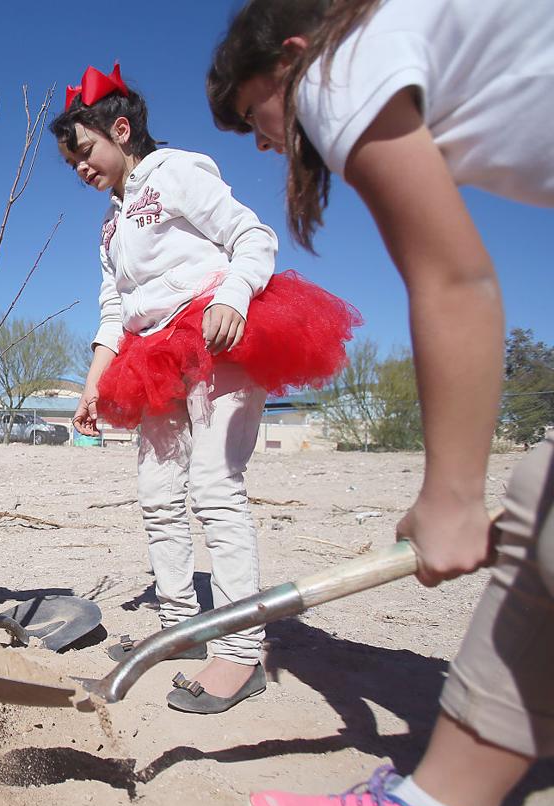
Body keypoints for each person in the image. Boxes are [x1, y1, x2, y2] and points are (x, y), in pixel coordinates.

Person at [207, 1, 554, 806]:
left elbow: (455, 278)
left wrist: (448, 494)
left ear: (290, 58)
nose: (260, 141)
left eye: (255, 115)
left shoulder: (337, 66)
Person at [50, 64, 358, 715]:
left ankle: (241, 652)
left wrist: (236, 295)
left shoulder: (179, 173)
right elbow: (115, 310)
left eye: (83, 150)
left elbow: (253, 236)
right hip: (152, 357)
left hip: (220, 335)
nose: (79, 167)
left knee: (214, 486)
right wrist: (93, 383)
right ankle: (180, 625)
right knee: (159, 495)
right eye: (69, 160)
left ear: (121, 129)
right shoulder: (109, 225)